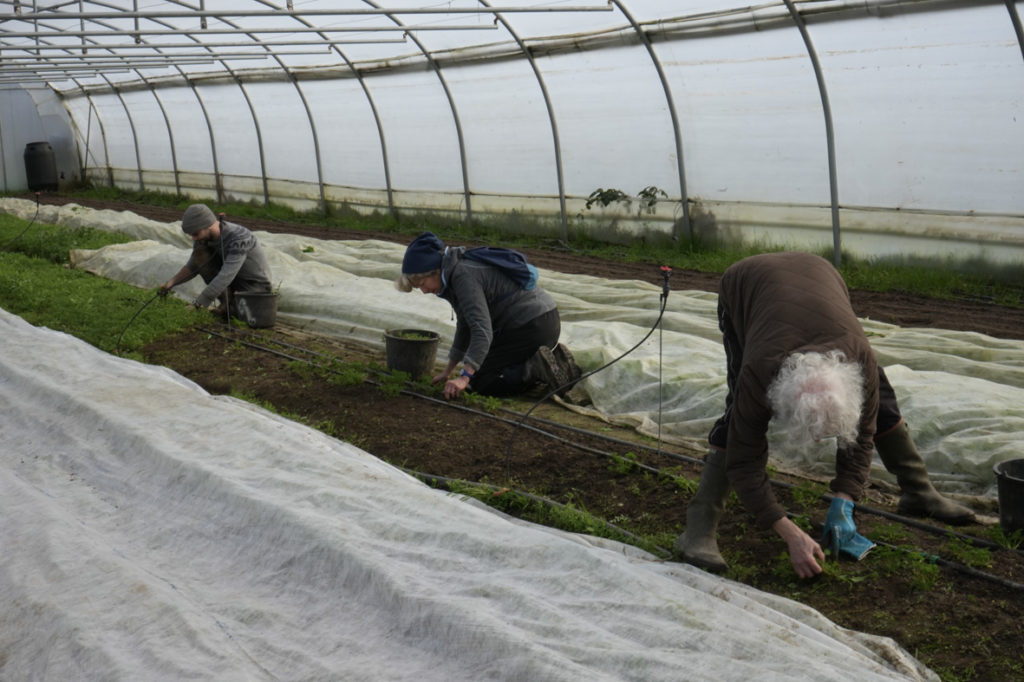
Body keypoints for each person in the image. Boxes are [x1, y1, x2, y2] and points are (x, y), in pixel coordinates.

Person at [674, 251, 976, 579]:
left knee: (882, 403)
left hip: (820, 276)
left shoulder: (860, 360)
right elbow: (744, 461)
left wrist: (844, 499)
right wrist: (789, 532)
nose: (822, 440)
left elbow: (862, 436)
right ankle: (698, 531)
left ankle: (919, 492)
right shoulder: (760, 371)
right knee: (738, 416)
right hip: (747, 284)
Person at [395, 231, 580, 400]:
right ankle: (549, 361)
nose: (424, 291)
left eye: (422, 284)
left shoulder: (462, 276)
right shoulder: (452, 274)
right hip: (534, 323)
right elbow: (465, 325)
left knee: (481, 382)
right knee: (477, 367)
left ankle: (536, 367)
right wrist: (449, 371)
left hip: (532, 324)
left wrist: (465, 377)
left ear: (434, 271)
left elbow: (482, 330)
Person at [160, 204, 273, 318]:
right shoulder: (203, 238)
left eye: (195, 234)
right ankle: (227, 304)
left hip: (254, 287)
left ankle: (230, 307)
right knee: (200, 255)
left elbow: (227, 274)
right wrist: (171, 283)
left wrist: (199, 303)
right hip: (234, 283)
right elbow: (194, 265)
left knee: (247, 317)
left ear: (207, 225)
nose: (194, 238)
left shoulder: (239, 238)